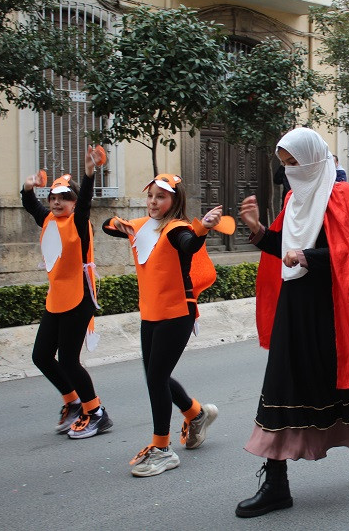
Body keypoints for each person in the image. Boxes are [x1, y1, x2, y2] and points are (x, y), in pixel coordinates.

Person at [235, 128, 349, 518]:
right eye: (285, 165)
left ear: (313, 160)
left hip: (329, 309)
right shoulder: (294, 197)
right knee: (281, 382)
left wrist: (306, 257)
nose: (290, 171)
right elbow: (282, 246)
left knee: (342, 383)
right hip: (294, 306)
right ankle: (276, 483)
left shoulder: (342, 195)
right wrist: (258, 230)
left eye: (295, 164)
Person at [103, 174, 221, 477]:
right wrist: (120, 225)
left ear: (174, 201)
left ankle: (162, 449)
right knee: (156, 375)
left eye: (161, 197)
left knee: (156, 378)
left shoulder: (176, 229)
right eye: (151, 196)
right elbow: (108, 225)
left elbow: (189, 244)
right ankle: (196, 414)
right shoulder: (144, 226)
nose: (154, 201)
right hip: (150, 315)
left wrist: (202, 228)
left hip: (177, 314)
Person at [21, 146, 112, 439]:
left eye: (64, 198)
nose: (57, 202)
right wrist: (28, 186)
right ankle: (72, 402)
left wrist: (88, 174)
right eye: (54, 197)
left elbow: (85, 202)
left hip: (79, 296)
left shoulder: (79, 223)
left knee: (69, 360)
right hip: (57, 297)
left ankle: (96, 412)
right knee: (42, 356)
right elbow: (30, 204)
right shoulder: (48, 219)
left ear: (73, 202)